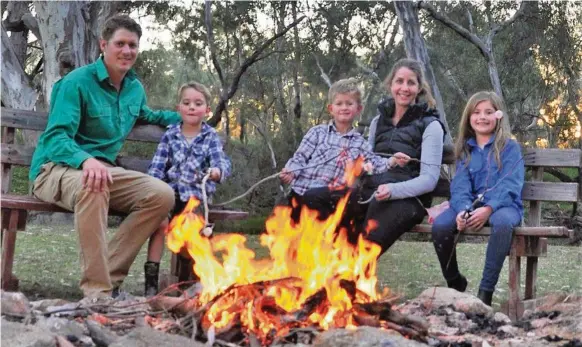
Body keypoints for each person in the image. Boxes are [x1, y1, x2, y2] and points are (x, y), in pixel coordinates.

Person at [29, 15, 181, 299]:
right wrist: (86, 160)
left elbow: (149, 115)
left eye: (133, 45)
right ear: (104, 45)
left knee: (161, 195)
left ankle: (107, 276)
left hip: (104, 172)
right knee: (94, 184)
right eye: (120, 43)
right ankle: (98, 294)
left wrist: (188, 117)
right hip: (55, 169)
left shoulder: (134, 89)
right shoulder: (76, 83)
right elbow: (55, 137)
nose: (127, 51)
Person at [431, 91, 524, 306]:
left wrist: (489, 208)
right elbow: (461, 185)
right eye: (476, 112)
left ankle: (485, 293)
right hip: (470, 205)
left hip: (503, 206)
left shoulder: (509, 148)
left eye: (488, 112)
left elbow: (510, 184)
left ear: (498, 116)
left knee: (502, 224)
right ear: (469, 118)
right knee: (441, 227)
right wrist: (463, 210)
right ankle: (455, 283)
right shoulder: (465, 149)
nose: (482, 117)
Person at [146, 81, 231, 296]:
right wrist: (152, 188)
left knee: (194, 227)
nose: (192, 107)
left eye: (198, 103)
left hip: (195, 195)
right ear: (179, 108)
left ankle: (187, 281)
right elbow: (157, 167)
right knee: (159, 221)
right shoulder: (170, 134)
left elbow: (221, 162)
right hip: (170, 192)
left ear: (207, 110)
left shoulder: (210, 136)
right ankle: (151, 283)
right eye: (187, 103)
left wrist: (217, 171)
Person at [280, 78, 390, 241]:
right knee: (285, 221)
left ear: (358, 109)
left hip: (328, 198)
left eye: (349, 103)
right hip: (301, 193)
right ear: (331, 109)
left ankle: (333, 245)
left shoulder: (359, 143)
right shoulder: (317, 132)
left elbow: (375, 163)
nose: (344, 107)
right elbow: (300, 157)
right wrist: (290, 171)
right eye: (339, 104)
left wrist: (393, 161)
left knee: (344, 202)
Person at [363, 58, 445, 256]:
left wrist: (392, 190)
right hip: (371, 195)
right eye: (399, 81)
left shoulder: (430, 125)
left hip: (409, 201)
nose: (404, 88)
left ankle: (349, 280)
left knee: (365, 246)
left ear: (419, 88)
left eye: (411, 83)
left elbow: (429, 180)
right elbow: (367, 163)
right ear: (391, 84)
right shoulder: (377, 121)